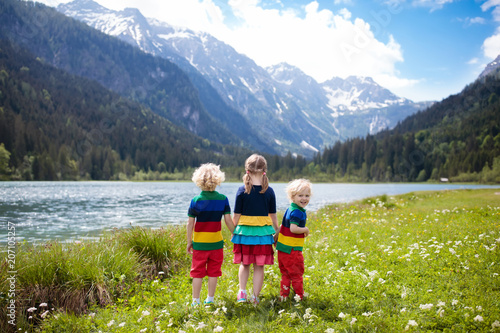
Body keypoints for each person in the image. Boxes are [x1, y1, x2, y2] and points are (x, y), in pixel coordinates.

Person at [231, 154, 279, 304]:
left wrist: (234, 232)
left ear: (247, 171)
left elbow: (236, 217)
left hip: (244, 234)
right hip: (263, 235)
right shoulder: (269, 191)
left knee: (244, 264)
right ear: (264, 170)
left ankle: (242, 292)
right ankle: (255, 297)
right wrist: (276, 232)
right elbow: (273, 216)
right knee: (259, 266)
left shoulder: (241, 190)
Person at [186, 163, 235, 306]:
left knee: (197, 272)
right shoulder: (223, 199)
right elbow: (228, 221)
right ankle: (210, 299)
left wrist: (189, 241)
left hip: (200, 244)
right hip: (216, 244)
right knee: (214, 272)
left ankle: (195, 301)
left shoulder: (195, 201)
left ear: (198, 181)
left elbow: (190, 223)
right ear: (218, 180)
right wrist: (235, 235)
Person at [276, 178, 312, 301]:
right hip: (292, 250)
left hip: (283, 249)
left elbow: (283, 226)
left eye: (307, 195)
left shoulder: (290, 209)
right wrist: (305, 230)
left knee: (285, 273)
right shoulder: (297, 212)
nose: (304, 198)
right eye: (300, 195)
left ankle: (284, 296)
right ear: (292, 196)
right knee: (296, 274)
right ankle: (299, 296)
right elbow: (293, 228)